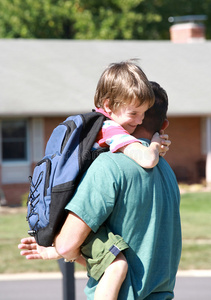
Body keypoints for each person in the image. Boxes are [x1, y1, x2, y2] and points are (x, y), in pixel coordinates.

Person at [19, 81, 181, 300]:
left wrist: (57, 248)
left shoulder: (109, 166)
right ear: (164, 126)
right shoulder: (166, 170)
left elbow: (67, 244)